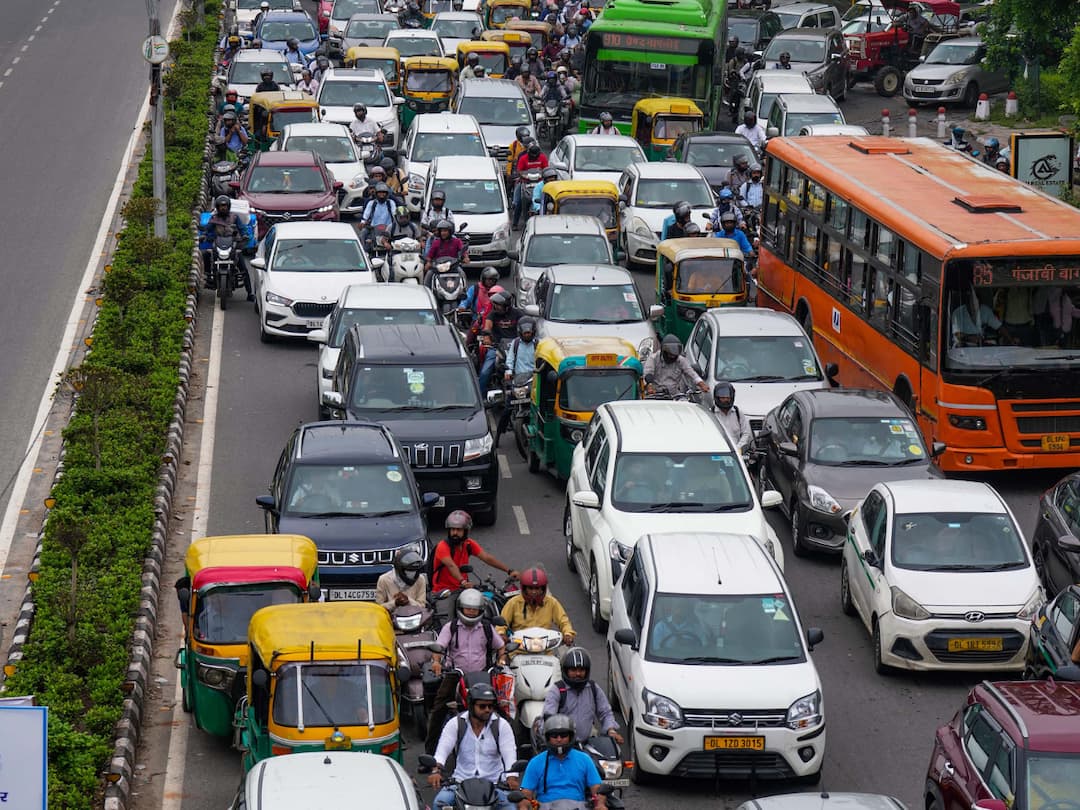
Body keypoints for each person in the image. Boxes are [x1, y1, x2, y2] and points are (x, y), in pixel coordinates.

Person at [425, 592, 510, 754]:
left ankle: (507, 750)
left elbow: (500, 646)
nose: (471, 612)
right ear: (460, 608)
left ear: (481, 610)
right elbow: (439, 647)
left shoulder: (486, 627)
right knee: (438, 709)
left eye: (474, 609)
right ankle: (430, 753)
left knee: (500, 707)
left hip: (482, 676)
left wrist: (501, 660)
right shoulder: (450, 627)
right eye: (467, 608)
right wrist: (436, 662)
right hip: (455, 674)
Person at [429, 683, 519, 807]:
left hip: (495, 784)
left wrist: (511, 777)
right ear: (471, 706)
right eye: (482, 706)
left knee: (511, 807)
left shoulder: (502, 725)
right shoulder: (455, 723)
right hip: (460, 783)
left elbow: (510, 755)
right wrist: (436, 771)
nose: (487, 710)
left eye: (490, 706)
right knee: (439, 803)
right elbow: (441, 752)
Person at [517, 715, 605, 810]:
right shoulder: (536, 762)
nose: (559, 739)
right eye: (554, 736)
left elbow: (597, 789)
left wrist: (600, 804)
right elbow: (526, 793)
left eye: (563, 735)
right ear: (547, 737)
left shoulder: (584, 759)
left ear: (570, 736)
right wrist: (523, 806)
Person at [540, 648, 622, 744]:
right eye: (573, 670)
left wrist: (610, 730)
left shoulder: (592, 687)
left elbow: (605, 712)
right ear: (566, 671)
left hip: (587, 744)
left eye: (581, 670)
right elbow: (548, 718)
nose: (578, 674)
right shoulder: (557, 690)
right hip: (562, 746)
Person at [430, 510, 518, 593]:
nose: (455, 533)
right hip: (444, 591)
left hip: (463, 588)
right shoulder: (442, 546)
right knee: (447, 608)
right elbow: (451, 566)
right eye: (452, 529)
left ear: (466, 531)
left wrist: (509, 571)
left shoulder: (468, 544)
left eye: (459, 530)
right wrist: (463, 582)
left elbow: (487, 558)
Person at [501, 566, 576, 644]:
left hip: (545, 650)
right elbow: (502, 622)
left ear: (543, 589)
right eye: (530, 588)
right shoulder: (513, 603)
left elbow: (564, 621)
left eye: (537, 588)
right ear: (525, 589)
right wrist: (501, 634)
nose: (534, 592)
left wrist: (568, 634)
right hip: (518, 649)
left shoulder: (552, 602)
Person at [495, 317, 537, 444]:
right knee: (507, 408)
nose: (527, 335)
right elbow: (510, 360)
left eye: (529, 333)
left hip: (533, 379)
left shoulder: (538, 344)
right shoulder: (516, 343)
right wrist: (508, 372)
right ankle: (498, 436)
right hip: (518, 379)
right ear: (520, 332)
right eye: (525, 333)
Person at [202, 195, 250, 293]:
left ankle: (250, 293)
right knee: (206, 254)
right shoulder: (214, 218)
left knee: (243, 268)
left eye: (225, 206)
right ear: (217, 207)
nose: (223, 208)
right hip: (218, 243)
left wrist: (244, 235)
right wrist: (203, 235)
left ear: (228, 206)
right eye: (221, 206)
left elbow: (242, 228)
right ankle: (209, 278)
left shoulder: (234, 217)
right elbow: (207, 228)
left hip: (232, 244)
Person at [478, 291, 524, 393]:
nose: (496, 306)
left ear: (506, 306)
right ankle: (480, 396)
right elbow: (487, 326)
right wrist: (486, 337)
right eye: (495, 304)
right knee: (485, 372)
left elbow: (525, 324)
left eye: (498, 305)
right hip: (496, 348)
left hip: (516, 348)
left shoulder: (518, 314)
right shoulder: (493, 314)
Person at [643, 334, 709, 396]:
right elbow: (648, 373)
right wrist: (650, 386)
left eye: (674, 356)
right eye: (670, 355)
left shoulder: (680, 360)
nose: (672, 357)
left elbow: (691, 373)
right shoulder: (653, 359)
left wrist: (702, 384)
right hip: (655, 394)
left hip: (674, 395)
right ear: (664, 352)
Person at [710, 380, 753, 452]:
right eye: (723, 398)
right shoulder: (710, 414)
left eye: (728, 397)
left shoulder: (738, 413)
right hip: (717, 452)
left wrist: (737, 448)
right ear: (717, 398)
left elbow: (746, 433)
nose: (726, 400)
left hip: (737, 452)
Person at [513, 142, 548, 228]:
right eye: (532, 155)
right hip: (525, 182)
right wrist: (523, 175)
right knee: (518, 202)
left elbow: (546, 169)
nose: (534, 157)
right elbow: (519, 170)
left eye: (536, 156)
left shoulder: (542, 158)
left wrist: (543, 174)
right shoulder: (523, 158)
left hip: (539, 183)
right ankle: (515, 223)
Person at [424, 219, 469, 284]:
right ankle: (427, 291)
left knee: (462, 274)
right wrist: (428, 262)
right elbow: (430, 255)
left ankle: (464, 291)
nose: (443, 233)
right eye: (441, 231)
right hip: (438, 267)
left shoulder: (457, 241)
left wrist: (465, 257)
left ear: (450, 231)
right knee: (429, 275)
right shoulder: (436, 242)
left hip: (453, 266)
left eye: (445, 231)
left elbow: (463, 251)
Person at [359, 183, 397, 249]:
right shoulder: (371, 203)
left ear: (387, 194)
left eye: (383, 192)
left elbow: (395, 214)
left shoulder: (391, 203)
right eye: (379, 193)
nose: (381, 195)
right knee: (363, 233)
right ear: (376, 194)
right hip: (373, 228)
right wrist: (362, 222)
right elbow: (366, 215)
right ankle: (364, 251)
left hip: (388, 229)